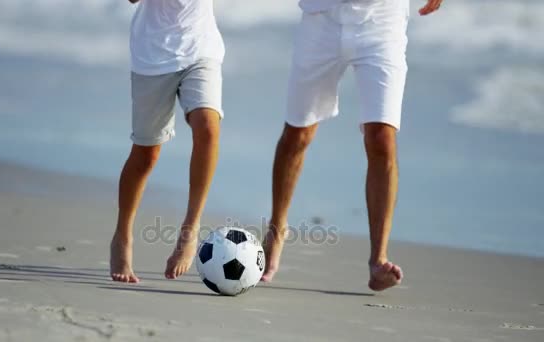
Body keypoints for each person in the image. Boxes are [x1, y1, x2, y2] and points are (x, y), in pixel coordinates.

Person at [261, 0, 444, 291]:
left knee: (381, 137)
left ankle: (378, 259)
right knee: (298, 133)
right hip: (321, 17)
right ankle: (276, 230)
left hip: (382, 19)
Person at [110, 0, 225, 282]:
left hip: (200, 48)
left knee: (208, 128)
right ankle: (123, 234)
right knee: (146, 154)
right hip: (153, 55)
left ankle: (190, 228)